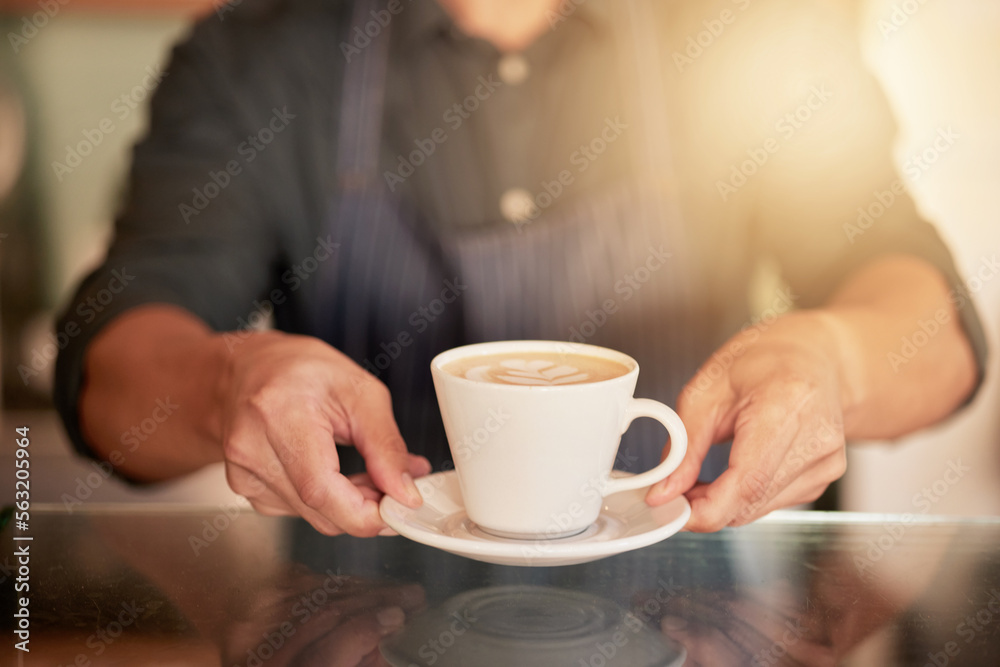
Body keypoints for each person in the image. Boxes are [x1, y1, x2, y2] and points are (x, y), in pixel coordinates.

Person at [55, 0, 986, 537]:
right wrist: (225, 384)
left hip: (696, 626)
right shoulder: (255, 58)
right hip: (356, 621)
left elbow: (930, 322)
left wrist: (836, 360)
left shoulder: (755, 34)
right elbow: (114, 362)